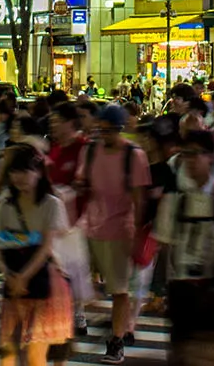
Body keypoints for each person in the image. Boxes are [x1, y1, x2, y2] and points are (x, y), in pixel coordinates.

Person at [155, 129, 214, 350]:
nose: (190, 160)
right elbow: (165, 246)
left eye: (197, 153)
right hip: (181, 290)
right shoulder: (175, 200)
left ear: (211, 156)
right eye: (186, 154)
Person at [77, 103, 152, 363]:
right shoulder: (89, 151)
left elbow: (139, 200)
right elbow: (82, 185)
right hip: (90, 226)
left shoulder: (134, 155)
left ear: (120, 129)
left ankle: (116, 340)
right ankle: (97, 320)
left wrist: (137, 236)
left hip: (121, 230)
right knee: (82, 283)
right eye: (100, 129)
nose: (103, 135)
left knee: (120, 290)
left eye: (108, 131)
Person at [0, 145, 73, 366]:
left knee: (36, 354)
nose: (19, 177)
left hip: (44, 283)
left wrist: (22, 278)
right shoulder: (4, 205)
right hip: (15, 281)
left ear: (38, 172)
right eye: (14, 171)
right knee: (8, 351)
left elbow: (46, 247)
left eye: (25, 171)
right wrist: (8, 275)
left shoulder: (51, 204)